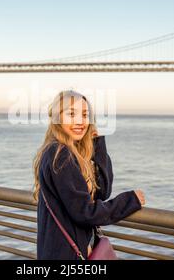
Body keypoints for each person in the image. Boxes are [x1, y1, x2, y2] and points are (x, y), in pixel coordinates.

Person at [33, 89, 146, 260]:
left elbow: (102, 192)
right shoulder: (60, 154)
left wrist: (97, 146)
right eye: (71, 114)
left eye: (85, 115)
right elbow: (85, 212)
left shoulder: (62, 151)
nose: (80, 121)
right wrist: (130, 201)